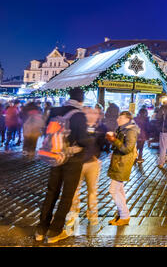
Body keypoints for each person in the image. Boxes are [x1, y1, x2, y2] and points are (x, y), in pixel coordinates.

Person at [35, 88, 91, 244]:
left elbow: (46, 131)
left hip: (55, 156)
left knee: (51, 191)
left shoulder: (55, 110)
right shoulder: (79, 115)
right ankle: (55, 231)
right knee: (67, 195)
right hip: (72, 159)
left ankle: (41, 229)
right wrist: (92, 138)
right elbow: (82, 139)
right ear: (81, 99)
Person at [66, 106, 106, 227]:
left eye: (94, 113)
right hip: (77, 163)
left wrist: (97, 156)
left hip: (92, 164)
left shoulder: (100, 128)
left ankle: (93, 217)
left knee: (92, 191)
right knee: (74, 192)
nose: (92, 115)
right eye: (88, 113)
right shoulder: (77, 128)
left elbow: (103, 145)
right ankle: (72, 218)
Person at [105, 111, 139, 226]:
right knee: (119, 190)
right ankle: (122, 214)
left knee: (113, 190)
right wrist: (112, 140)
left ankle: (124, 216)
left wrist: (115, 140)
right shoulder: (122, 129)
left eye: (120, 118)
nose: (117, 120)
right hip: (118, 162)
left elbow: (127, 149)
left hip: (123, 163)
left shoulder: (130, 130)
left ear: (127, 119)